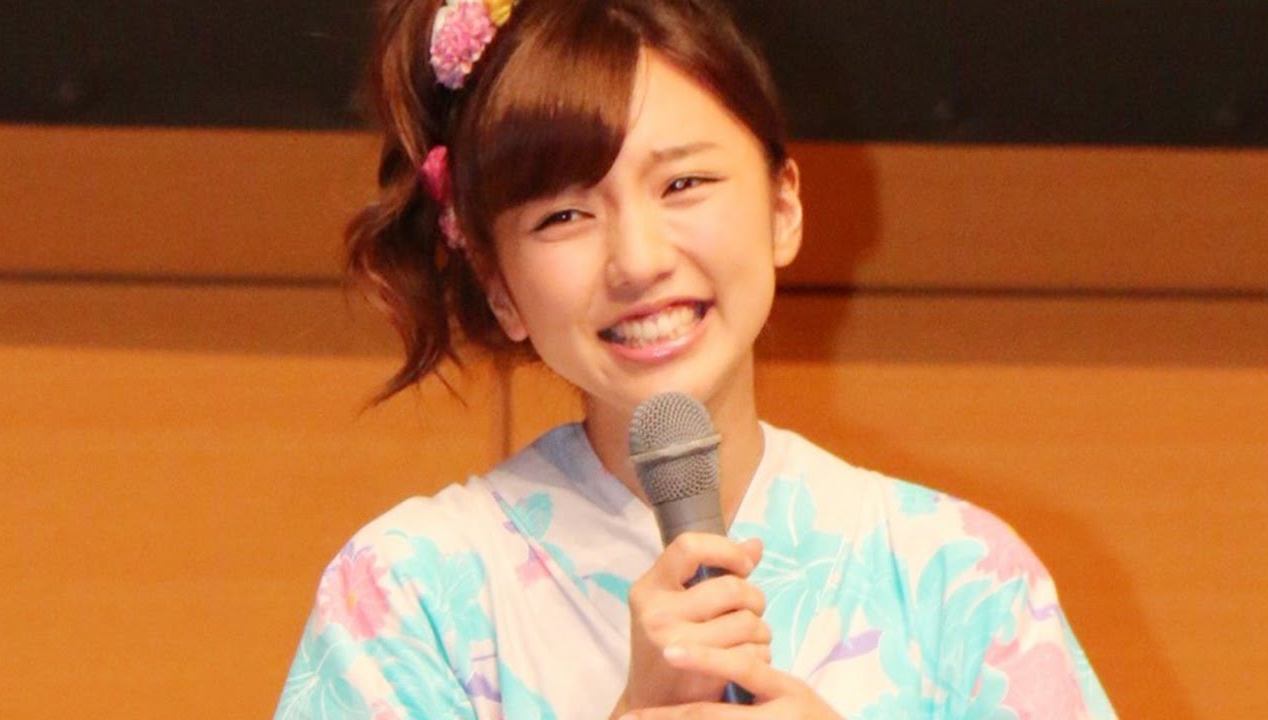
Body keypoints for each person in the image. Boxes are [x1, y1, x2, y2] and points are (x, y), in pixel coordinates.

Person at [273, 0, 1115, 718]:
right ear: (499, 287)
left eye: (682, 184)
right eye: (564, 216)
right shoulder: (406, 596)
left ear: (783, 207)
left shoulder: (959, 575)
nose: (638, 261)